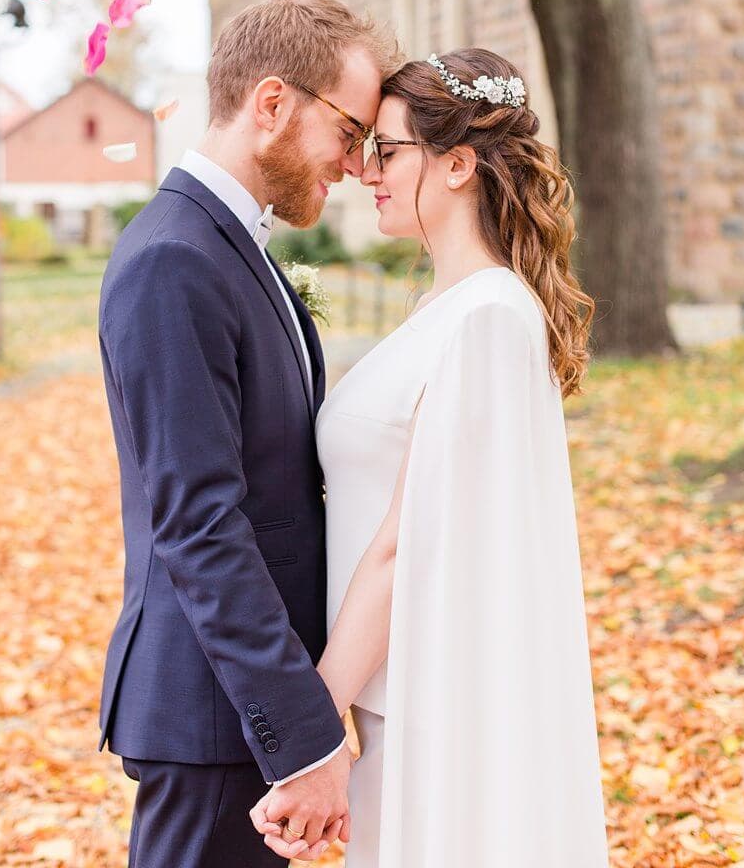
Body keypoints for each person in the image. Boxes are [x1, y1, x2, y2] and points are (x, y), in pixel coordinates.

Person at [252, 48, 611, 867]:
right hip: (392, 691)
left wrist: (314, 724)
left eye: (386, 149)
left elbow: (403, 543)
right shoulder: (445, 308)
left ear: (457, 165)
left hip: (428, 698)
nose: (363, 167)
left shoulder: (485, 317)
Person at [96, 0, 400, 868]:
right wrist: (304, 734)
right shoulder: (172, 261)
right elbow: (199, 524)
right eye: (348, 131)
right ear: (273, 104)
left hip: (239, 707)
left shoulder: (229, 247)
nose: (353, 162)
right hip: (210, 711)